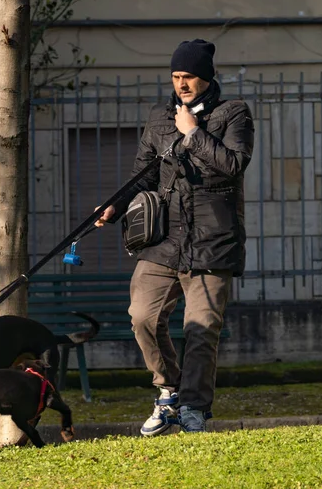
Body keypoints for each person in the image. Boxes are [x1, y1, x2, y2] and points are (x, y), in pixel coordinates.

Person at [95, 39, 254, 435]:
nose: (181, 84)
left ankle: (194, 409)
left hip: (213, 240)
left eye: (189, 77)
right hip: (164, 240)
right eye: (176, 77)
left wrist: (194, 134)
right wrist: (115, 206)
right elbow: (144, 175)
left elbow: (233, 165)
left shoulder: (233, 113)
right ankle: (169, 391)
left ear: (206, 77)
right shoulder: (159, 116)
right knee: (142, 317)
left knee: (201, 330)